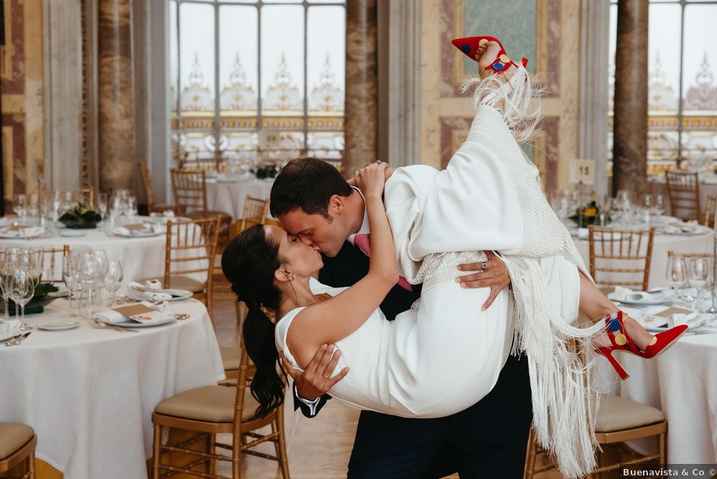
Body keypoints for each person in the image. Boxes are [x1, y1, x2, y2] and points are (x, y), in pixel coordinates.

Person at [222, 37, 686, 479]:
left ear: (337, 205)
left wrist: (511, 270)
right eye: (295, 238)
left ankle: (607, 316)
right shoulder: (330, 266)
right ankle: (495, 93)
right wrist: (306, 392)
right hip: (409, 401)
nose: (306, 242)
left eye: (306, 231)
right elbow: (310, 338)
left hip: (493, 387)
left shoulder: (411, 199)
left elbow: (512, 227)